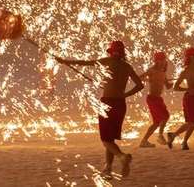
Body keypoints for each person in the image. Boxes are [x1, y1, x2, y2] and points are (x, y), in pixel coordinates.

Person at [56, 40, 144, 179]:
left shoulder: (107, 61)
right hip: (121, 104)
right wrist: (125, 94)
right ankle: (108, 169)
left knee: (105, 140)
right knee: (110, 139)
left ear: (111, 52)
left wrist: (65, 61)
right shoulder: (127, 66)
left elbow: (85, 62)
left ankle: (122, 156)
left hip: (107, 103)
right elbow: (140, 85)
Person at [167, 47, 194, 150]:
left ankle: (177, 137)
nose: (193, 57)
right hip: (189, 98)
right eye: (191, 56)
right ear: (189, 57)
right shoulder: (185, 72)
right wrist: (188, 89)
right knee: (192, 122)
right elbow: (176, 87)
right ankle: (182, 141)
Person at [138, 51, 172, 148]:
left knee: (157, 123)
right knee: (165, 116)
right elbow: (139, 77)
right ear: (156, 61)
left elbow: (167, 86)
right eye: (160, 60)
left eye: (163, 60)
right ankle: (160, 136)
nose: (162, 62)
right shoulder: (151, 70)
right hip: (152, 98)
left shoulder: (163, 72)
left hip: (158, 98)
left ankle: (144, 141)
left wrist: (169, 84)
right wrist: (149, 80)